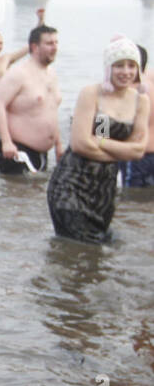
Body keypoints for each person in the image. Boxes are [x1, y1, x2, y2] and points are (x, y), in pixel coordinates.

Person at [47, 37, 149, 243]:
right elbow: (80, 144)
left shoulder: (140, 101)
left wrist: (99, 142)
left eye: (131, 65)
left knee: (98, 252)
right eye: (119, 65)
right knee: (76, 249)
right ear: (108, 68)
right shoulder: (93, 94)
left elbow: (138, 151)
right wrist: (116, 148)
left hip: (104, 189)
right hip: (71, 185)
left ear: (138, 69)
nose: (126, 71)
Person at [0, 24, 62, 174]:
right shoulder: (19, 73)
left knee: (36, 195)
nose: (55, 47)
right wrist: (6, 142)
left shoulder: (52, 73)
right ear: (35, 47)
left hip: (43, 153)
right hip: (17, 150)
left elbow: (51, 111)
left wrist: (58, 145)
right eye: (49, 43)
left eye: (56, 43)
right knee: (18, 194)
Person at [122, 45, 154, 188]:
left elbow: (103, 133)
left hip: (135, 157)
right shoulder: (150, 81)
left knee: (130, 200)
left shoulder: (125, 91)